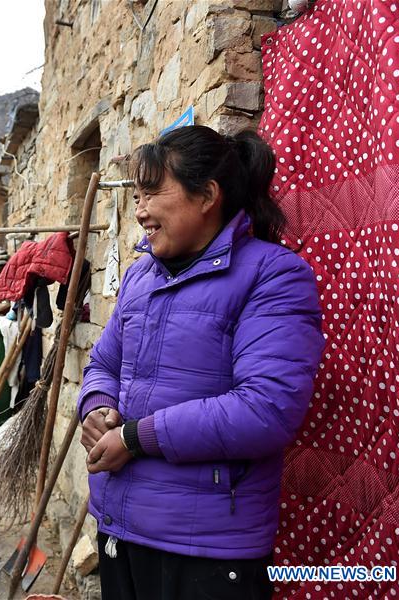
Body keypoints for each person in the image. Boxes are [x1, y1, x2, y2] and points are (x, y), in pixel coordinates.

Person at [78, 126, 324, 600]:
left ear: (207, 195)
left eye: (153, 193)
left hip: (207, 549)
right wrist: (97, 405)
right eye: (137, 196)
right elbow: (103, 363)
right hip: (120, 527)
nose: (140, 210)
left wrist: (134, 437)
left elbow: (266, 409)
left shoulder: (273, 276)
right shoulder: (141, 277)